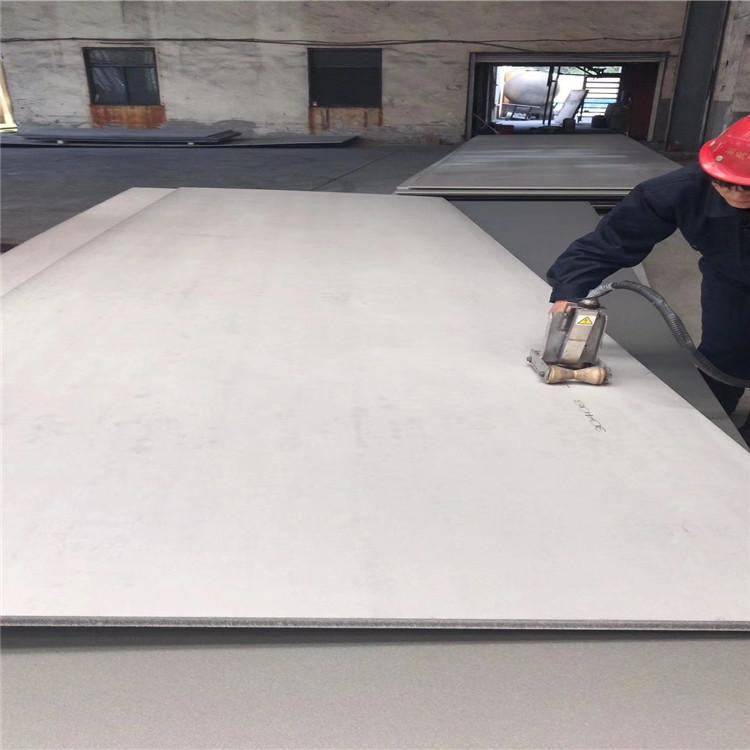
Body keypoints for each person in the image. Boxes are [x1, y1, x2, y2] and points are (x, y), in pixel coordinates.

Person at [546, 116, 750, 443]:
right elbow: (613, 241)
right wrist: (569, 291)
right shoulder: (680, 190)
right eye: (725, 183)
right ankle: (712, 432)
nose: (736, 195)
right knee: (725, 355)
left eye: (747, 188)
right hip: (729, 281)